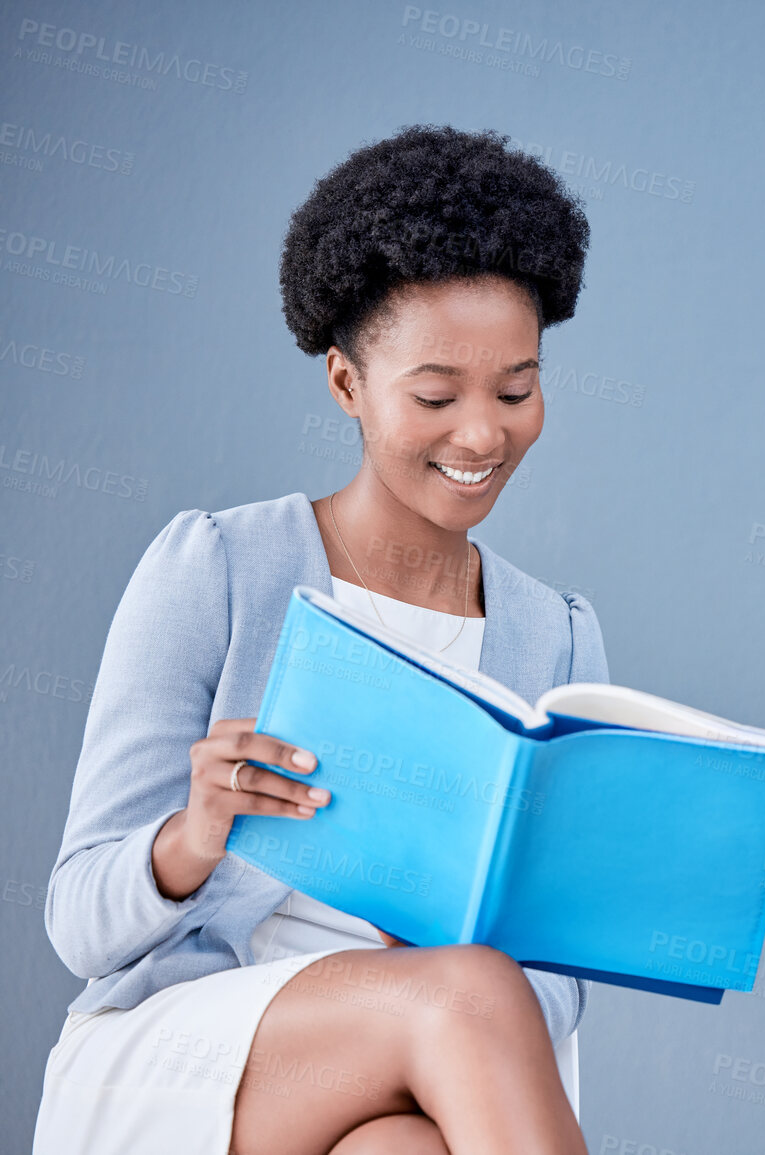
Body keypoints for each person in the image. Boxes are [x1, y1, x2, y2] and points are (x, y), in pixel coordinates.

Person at [37, 125, 602, 1155]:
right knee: (467, 994)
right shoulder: (216, 569)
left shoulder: (556, 638)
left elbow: (557, 988)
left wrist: (442, 954)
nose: (483, 435)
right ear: (346, 385)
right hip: (195, 1052)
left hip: (428, 1068)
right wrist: (193, 837)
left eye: (516, 391)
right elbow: (80, 923)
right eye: (436, 396)